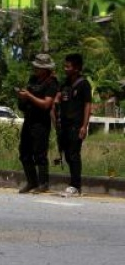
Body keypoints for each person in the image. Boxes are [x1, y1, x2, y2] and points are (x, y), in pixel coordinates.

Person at [16, 53, 59, 194]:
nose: (35, 69)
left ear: (45, 69)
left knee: (39, 153)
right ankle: (31, 181)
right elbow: (28, 94)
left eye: (38, 67)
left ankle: (43, 183)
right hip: (29, 119)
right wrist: (23, 96)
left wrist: (29, 96)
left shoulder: (52, 83)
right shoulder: (33, 79)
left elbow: (46, 104)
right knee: (24, 152)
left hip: (41, 123)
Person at [54, 53, 92, 198]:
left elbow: (88, 105)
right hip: (64, 124)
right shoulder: (65, 84)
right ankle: (73, 184)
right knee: (67, 155)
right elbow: (58, 99)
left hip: (77, 124)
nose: (65, 68)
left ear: (76, 68)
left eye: (68, 66)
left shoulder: (84, 84)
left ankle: (76, 186)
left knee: (74, 154)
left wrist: (84, 125)